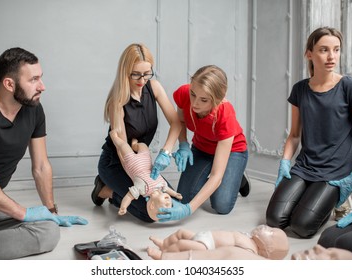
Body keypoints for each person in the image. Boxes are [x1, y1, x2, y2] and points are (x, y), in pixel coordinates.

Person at [0, 47, 88, 260]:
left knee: (48, 231)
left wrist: (51, 212)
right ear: (9, 84)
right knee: (28, 219)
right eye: (33, 80)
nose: (42, 87)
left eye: (40, 78)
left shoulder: (34, 110)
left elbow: (41, 166)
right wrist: (23, 213)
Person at [266, 26, 352, 238]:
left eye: (336, 50)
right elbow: (294, 135)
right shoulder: (300, 89)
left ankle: (336, 202)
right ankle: (317, 199)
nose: (331, 56)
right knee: (275, 219)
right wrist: (284, 162)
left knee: (302, 227)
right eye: (324, 50)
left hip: (336, 172)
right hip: (305, 166)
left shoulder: (349, 86)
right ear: (309, 53)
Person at [91, 43, 181, 222]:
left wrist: (165, 152)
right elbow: (123, 150)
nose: (142, 80)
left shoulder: (154, 87)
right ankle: (105, 189)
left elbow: (176, 123)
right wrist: (144, 184)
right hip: (119, 161)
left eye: (147, 73)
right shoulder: (117, 102)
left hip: (141, 161)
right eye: (136, 74)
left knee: (171, 206)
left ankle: (115, 188)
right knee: (150, 214)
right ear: (125, 71)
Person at [156, 65, 248, 222]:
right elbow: (181, 121)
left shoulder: (225, 114)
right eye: (193, 94)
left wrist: (189, 210)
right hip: (202, 148)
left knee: (221, 206)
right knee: (183, 198)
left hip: (233, 151)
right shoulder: (184, 94)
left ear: (217, 99)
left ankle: (236, 176)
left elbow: (216, 176)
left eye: (203, 99)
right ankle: (228, 175)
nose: (195, 103)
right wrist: (183, 145)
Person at [109, 129, 182, 221]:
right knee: (143, 146)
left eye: (166, 205)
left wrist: (123, 206)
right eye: (170, 204)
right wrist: (175, 194)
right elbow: (168, 190)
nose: (169, 202)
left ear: (152, 205)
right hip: (146, 158)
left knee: (123, 146)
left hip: (131, 161)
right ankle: (134, 145)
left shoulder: (143, 190)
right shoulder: (162, 187)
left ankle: (114, 137)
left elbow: (129, 196)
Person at [147, 224, 289, 260]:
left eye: (270, 232)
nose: (266, 228)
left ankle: (164, 257)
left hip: (207, 247)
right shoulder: (250, 238)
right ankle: (165, 244)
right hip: (205, 236)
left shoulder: (250, 251)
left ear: (267, 249)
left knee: (182, 245)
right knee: (181, 233)